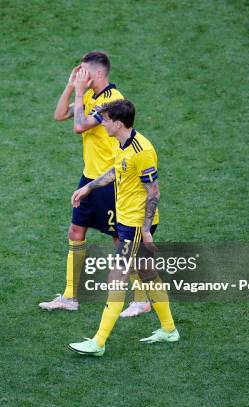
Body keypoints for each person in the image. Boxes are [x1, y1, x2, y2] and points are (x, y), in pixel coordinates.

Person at [67, 99, 179, 357]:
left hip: (137, 225)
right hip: (125, 220)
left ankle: (98, 341)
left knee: (116, 278)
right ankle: (169, 329)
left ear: (118, 123)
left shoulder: (143, 151)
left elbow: (154, 192)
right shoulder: (121, 143)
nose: (102, 123)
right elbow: (115, 172)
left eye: (105, 119)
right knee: (148, 274)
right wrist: (88, 187)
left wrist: (147, 229)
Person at [40, 51, 145, 312]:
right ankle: (69, 297)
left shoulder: (113, 102)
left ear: (98, 74)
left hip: (110, 180)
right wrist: (70, 85)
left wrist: (78, 92)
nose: (81, 76)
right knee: (75, 232)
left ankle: (142, 299)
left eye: (84, 72)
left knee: (120, 240)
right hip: (89, 176)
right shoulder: (89, 95)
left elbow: (80, 126)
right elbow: (60, 115)